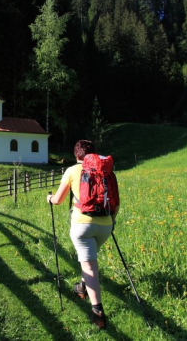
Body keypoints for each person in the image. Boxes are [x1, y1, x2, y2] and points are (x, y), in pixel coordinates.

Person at [46, 139, 117, 330]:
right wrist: (112, 221)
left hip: (82, 225)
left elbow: (58, 200)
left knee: (90, 266)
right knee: (89, 261)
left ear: (76, 155)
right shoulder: (106, 171)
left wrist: (49, 198)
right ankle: (82, 287)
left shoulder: (71, 171)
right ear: (94, 153)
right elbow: (115, 202)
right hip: (105, 225)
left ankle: (98, 313)